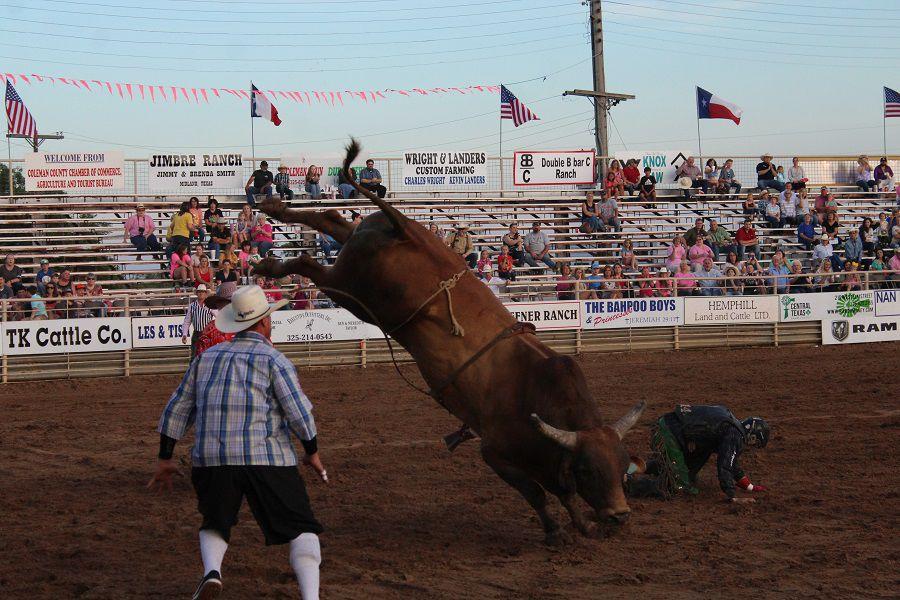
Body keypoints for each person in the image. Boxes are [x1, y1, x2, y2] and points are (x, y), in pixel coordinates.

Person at [150, 285, 326, 600]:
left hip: (212, 458)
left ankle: (212, 572)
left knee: (215, 521)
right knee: (302, 527)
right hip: (267, 458)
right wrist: (311, 452)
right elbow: (299, 414)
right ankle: (310, 596)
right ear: (264, 322)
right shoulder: (275, 360)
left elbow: (176, 410)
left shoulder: (205, 359)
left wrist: (165, 457)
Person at [626, 405, 770, 502]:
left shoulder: (731, 425)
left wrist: (749, 486)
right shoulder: (735, 435)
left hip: (670, 426)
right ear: (752, 436)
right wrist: (731, 495)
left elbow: (731, 462)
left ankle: (629, 468)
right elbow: (726, 464)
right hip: (671, 433)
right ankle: (630, 486)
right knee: (680, 486)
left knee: (678, 470)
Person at [180, 284, 215, 359]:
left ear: (206, 293)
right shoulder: (192, 306)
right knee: (194, 356)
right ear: (197, 293)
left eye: (202, 292)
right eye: (199, 292)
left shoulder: (210, 305)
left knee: (207, 355)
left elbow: (218, 317)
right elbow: (187, 321)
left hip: (207, 334)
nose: (201, 293)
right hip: (197, 333)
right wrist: (184, 334)